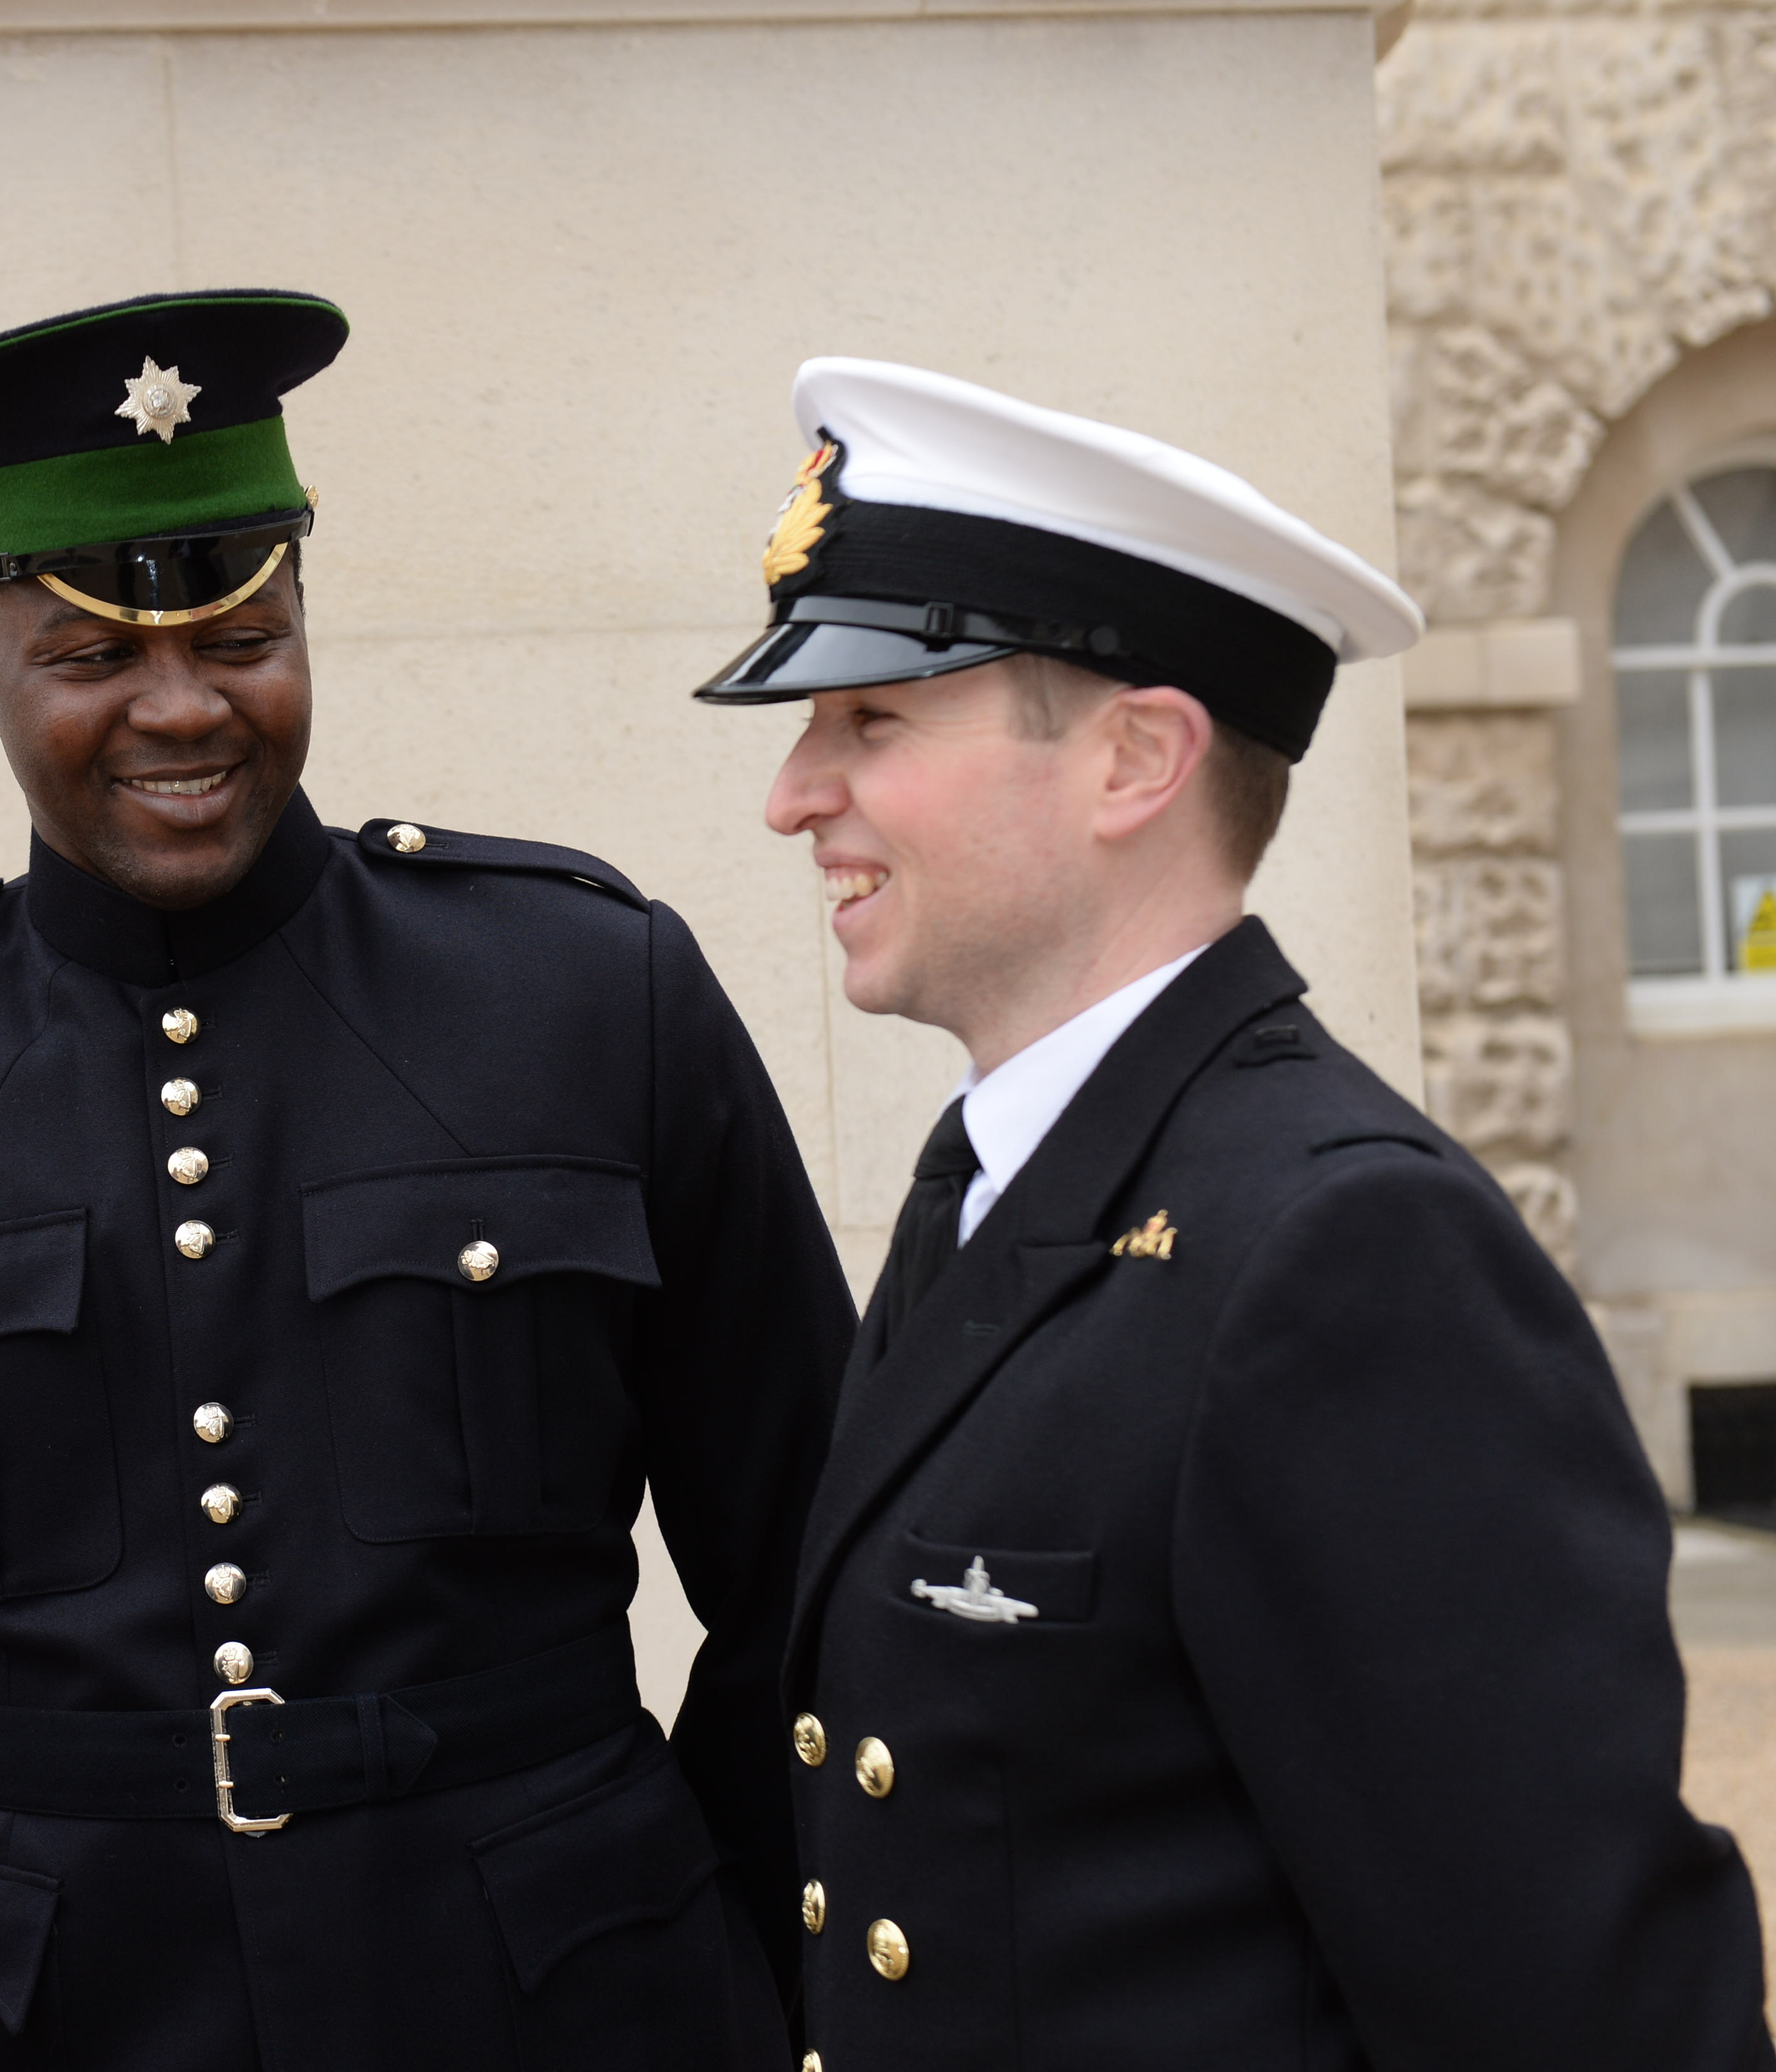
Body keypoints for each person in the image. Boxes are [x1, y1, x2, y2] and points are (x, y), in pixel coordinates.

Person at [0, 289, 853, 2069]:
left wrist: (672, 1935)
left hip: (577, 2001)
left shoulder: (590, 995)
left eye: (245, 636)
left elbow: (812, 1563)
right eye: (89, 659)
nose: (182, 707)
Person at [699, 358, 1775, 2070]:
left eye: (873, 720)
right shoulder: (1005, 1186)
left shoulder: (1345, 1259)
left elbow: (1580, 2012)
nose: (794, 793)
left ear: (1136, 758)